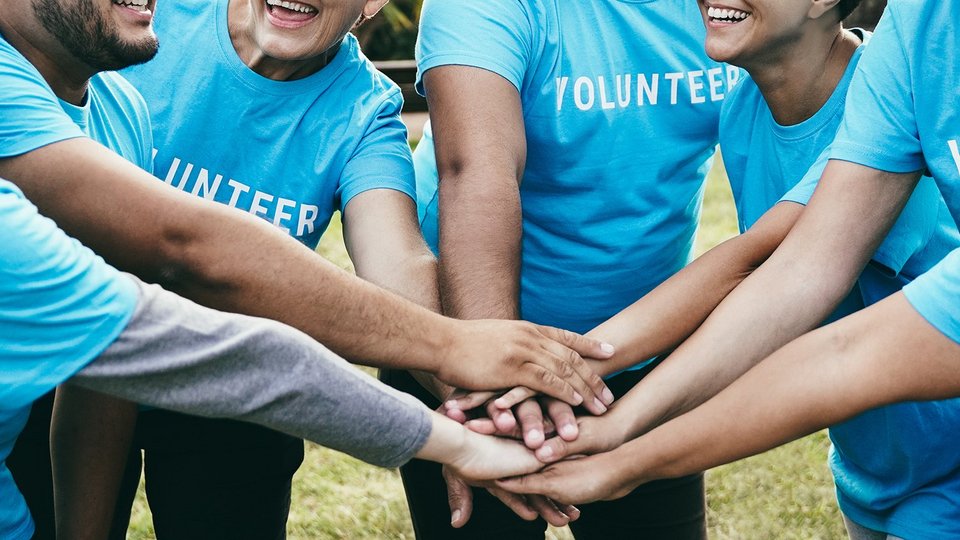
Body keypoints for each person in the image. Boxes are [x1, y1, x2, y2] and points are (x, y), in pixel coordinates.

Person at [0, 0, 614, 537]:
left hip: (237, 387)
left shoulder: (363, 109)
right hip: (69, 366)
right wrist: (456, 347)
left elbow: (394, 257)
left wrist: (477, 404)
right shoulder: (134, 29)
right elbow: (175, 249)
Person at [499, 1, 960, 538]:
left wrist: (614, 435)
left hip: (943, 462)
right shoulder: (745, 107)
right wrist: (581, 390)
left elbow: (755, 269)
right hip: (874, 464)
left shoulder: (871, 91)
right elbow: (774, 286)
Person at [0, 176, 552, 540]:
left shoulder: (114, 78)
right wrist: (459, 429)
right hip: (76, 371)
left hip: (202, 397)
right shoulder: (116, 59)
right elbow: (194, 269)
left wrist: (467, 397)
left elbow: (394, 257)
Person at [384, 0, 740, 537]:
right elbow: (478, 171)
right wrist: (494, 392)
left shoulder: (727, 9)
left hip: (638, 355)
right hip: (463, 353)